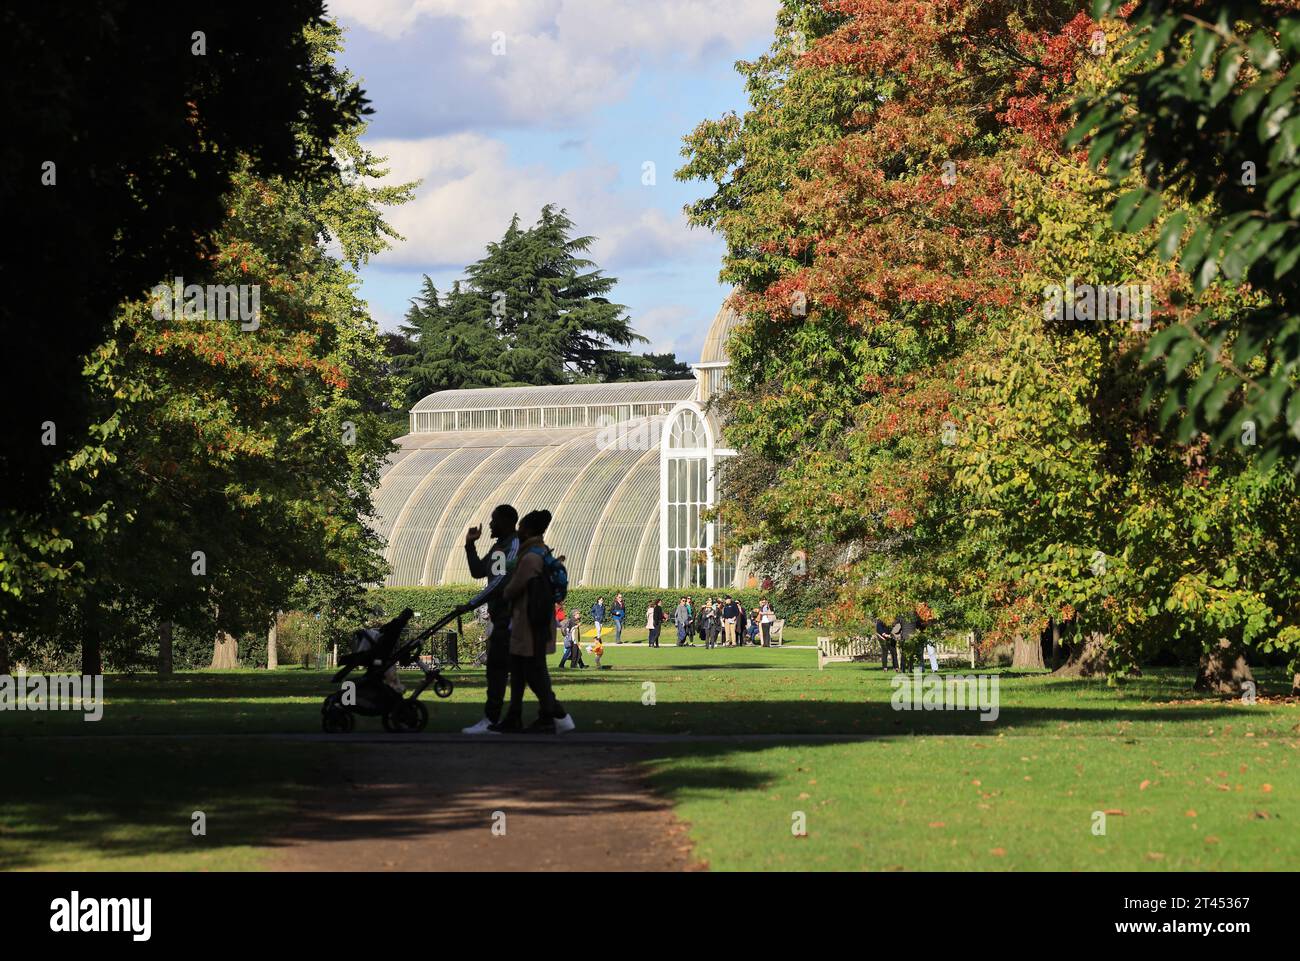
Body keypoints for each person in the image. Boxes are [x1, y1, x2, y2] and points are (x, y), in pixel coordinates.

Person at [491, 509, 574, 734]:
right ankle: (515, 715)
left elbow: (512, 589)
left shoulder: (530, 558)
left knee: (534, 672)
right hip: (534, 622)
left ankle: (552, 715)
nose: (518, 531)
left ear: (527, 530)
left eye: (521, 528)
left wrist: (504, 590)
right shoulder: (541, 552)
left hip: (529, 624)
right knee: (519, 670)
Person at [460, 504, 519, 735]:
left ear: (506, 521)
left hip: (511, 619)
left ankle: (492, 719)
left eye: (494, 520)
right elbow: (478, 572)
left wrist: (472, 603)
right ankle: (553, 716)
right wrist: (470, 544)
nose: (490, 524)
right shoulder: (499, 547)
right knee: (514, 670)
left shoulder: (511, 546)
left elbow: (499, 583)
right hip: (500, 618)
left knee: (497, 668)